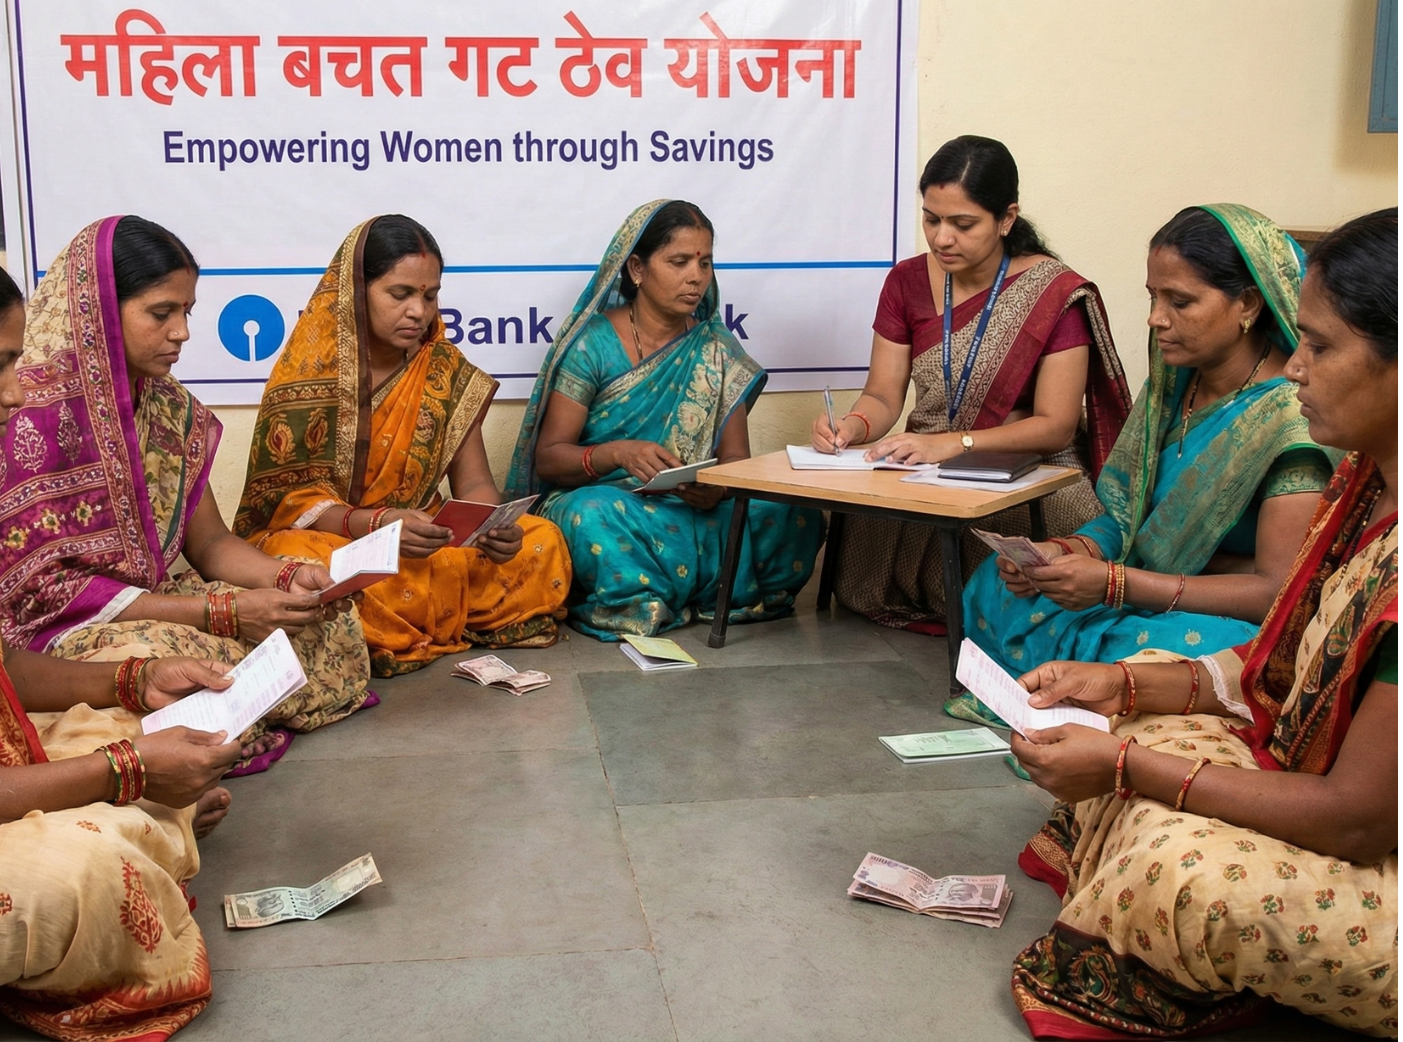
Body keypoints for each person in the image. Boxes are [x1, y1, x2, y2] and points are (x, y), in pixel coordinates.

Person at [1006, 209, 1397, 1039]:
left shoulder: (1301, 445)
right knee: (1132, 713)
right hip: (1307, 764)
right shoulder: (1367, 483)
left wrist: (1127, 767)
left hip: (1373, 845)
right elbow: (1288, 659)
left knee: (1177, 870)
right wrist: (1125, 685)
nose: (1296, 366)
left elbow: (1358, 819)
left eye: (1320, 346)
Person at [0, 233, 243, 1039]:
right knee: (89, 867)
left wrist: (135, 682)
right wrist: (127, 772)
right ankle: (137, 827)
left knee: (128, 725)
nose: (14, 393)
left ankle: (138, 817)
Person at [0, 216, 371, 774]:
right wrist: (221, 612)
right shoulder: (27, 417)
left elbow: (209, 542)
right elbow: (39, 594)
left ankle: (227, 721)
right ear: (98, 309)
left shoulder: (166, 406)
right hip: (55, 638)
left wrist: (285, 578)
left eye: (187, 312)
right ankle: (216, 726)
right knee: (167, 659)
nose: (181, 332)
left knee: (321, 624)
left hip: (153, 600)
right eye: (161, 313)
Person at [956, 205, 1333, 720]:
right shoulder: (1175, 386)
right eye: (1154, 297)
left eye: (1180, 301)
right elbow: (1126, 518)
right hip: (1141, 585)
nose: (1157, 318)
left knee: (1152, 654)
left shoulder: (1291, 421)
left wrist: (1115, 584)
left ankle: (1070, 702)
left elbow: (1276, 591)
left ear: (1247, 303)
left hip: (1222, 613)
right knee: (995, 583)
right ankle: (1059, 699)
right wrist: (1061, 554)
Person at [233, 215, 571, 677]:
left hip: (422, 542)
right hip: (342, 539)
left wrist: (493, 528)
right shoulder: (309, 375)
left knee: (542, 540)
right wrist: (377, 524)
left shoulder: (443, 368)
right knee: (295, 558)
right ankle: (421, 613)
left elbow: (475, 484)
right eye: (401, 294)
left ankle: (392, 624)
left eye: (430, 296)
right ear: (357, 290)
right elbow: (282, 504)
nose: (419, 311)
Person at [818, 136, 1132, 630]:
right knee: (864, 525)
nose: (942, 238)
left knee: (1046, 551)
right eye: (931, 219)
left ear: (1006, 219)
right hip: (924, 463)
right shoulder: (905, 282)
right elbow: (882, 394)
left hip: (1031, 470)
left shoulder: (1053, 294)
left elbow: (1055, 426)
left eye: (963, 225)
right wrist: (853, 426)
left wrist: (955, 443)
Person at [505, 199, 824, 640]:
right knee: (586, 515)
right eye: (679, 262)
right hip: (616, 504)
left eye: (705, 263)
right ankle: (658, 598)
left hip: (692, 506)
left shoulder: (716, 348)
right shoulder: (592, 344)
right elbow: (550, 458)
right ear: (637, 268)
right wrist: (617, 453)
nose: (696, 276)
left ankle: (692, 595)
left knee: (793, 509)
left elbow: (736, 461)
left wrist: (716, 488)